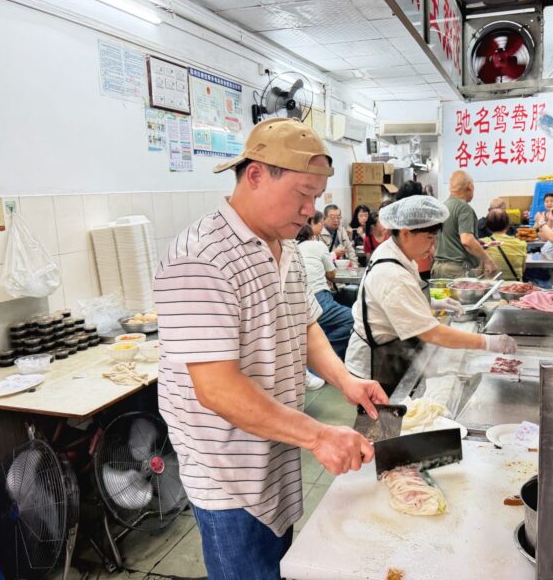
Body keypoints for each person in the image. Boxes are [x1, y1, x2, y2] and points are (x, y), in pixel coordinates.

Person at [154, 118, 388, 580]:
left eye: (317, 197)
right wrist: (319, 435)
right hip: (228, 477)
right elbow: (217, 390)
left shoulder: (286, 248)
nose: (310, 209)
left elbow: (304, 327)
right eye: (302, 194)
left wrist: (346, 381)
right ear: (256, 174)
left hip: (276, 453)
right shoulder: (200, 257)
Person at [344, 196, 517, 395]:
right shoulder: (393, 273)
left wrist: (434, 302)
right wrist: (486, 342)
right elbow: (431, 333)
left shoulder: (396, 252)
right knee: (380, 422)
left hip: (390, 352)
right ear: (406, 233)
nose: (433, 245)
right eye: (429, 237)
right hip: (374, 366)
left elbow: (397, 300)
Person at [296, 217, 354, 366]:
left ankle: (319, 355)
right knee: (354, 319)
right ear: (312, 235)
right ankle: (324, 357)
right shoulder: (318, 244)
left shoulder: (293, 247)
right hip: (318, 298)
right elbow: (332, 274)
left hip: (297, 301)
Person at [432, 171, 499, 279]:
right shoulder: (464, 208)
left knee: (442, 297)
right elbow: (467, 240)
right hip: (456, 272)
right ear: (470, 186)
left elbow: (442, 239)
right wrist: (488, 261)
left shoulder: (443, 207)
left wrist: (476, 242)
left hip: (438, 269)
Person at [396, 179, 433, 280]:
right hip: (419, 265)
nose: (432, 243)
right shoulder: (396, 273)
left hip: (419, 265)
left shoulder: (398, 220)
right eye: (430, 237)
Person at [482, 209, 527, 282]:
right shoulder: (521, 244)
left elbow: (479, 271)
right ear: (508, 224)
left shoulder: (483, 243)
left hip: (491, 288)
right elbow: (523, 269)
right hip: (515, 288)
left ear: (488, 225)